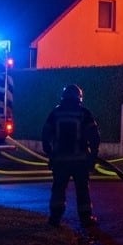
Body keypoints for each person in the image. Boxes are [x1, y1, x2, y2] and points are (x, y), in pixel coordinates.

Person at [42, 83, 101, 227]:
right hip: (80, 162)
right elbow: (94, 136)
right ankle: (86, 219)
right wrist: (93, 155)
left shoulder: (55, 113)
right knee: (82, 190)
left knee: (58, 189)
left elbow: (45, 135)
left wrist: (51, 154)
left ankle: (55, 218)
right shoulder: (84, 113)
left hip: (60, 161)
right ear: (79, 98)